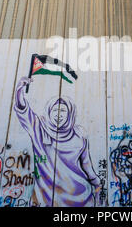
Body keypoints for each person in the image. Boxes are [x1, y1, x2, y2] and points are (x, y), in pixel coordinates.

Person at [14, 77, 101, 207]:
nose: (58, 114)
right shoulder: (39, 130)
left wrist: (98, 184)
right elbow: (24, 111)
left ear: (70, 114)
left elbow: (86, 165)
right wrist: (19, 91)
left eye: (63, 111)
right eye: (55, 110)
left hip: (81, 198)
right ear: (49, 112)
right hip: (48, 198)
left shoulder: (79, 135)